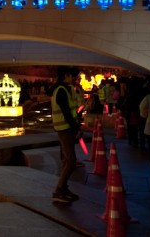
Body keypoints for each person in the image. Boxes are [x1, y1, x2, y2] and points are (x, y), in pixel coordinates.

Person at [51, 66, 83, 203]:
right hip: (65, 129)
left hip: (66, 128)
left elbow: (72, 111)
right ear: (66, 76)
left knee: (66, 160)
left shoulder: (65, 89)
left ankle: (63, 189)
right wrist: (76, 128)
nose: (74, 78)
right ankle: (59, 190)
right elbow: (66, 113)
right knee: (71, 161)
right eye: (72, 76)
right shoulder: (61, 91)